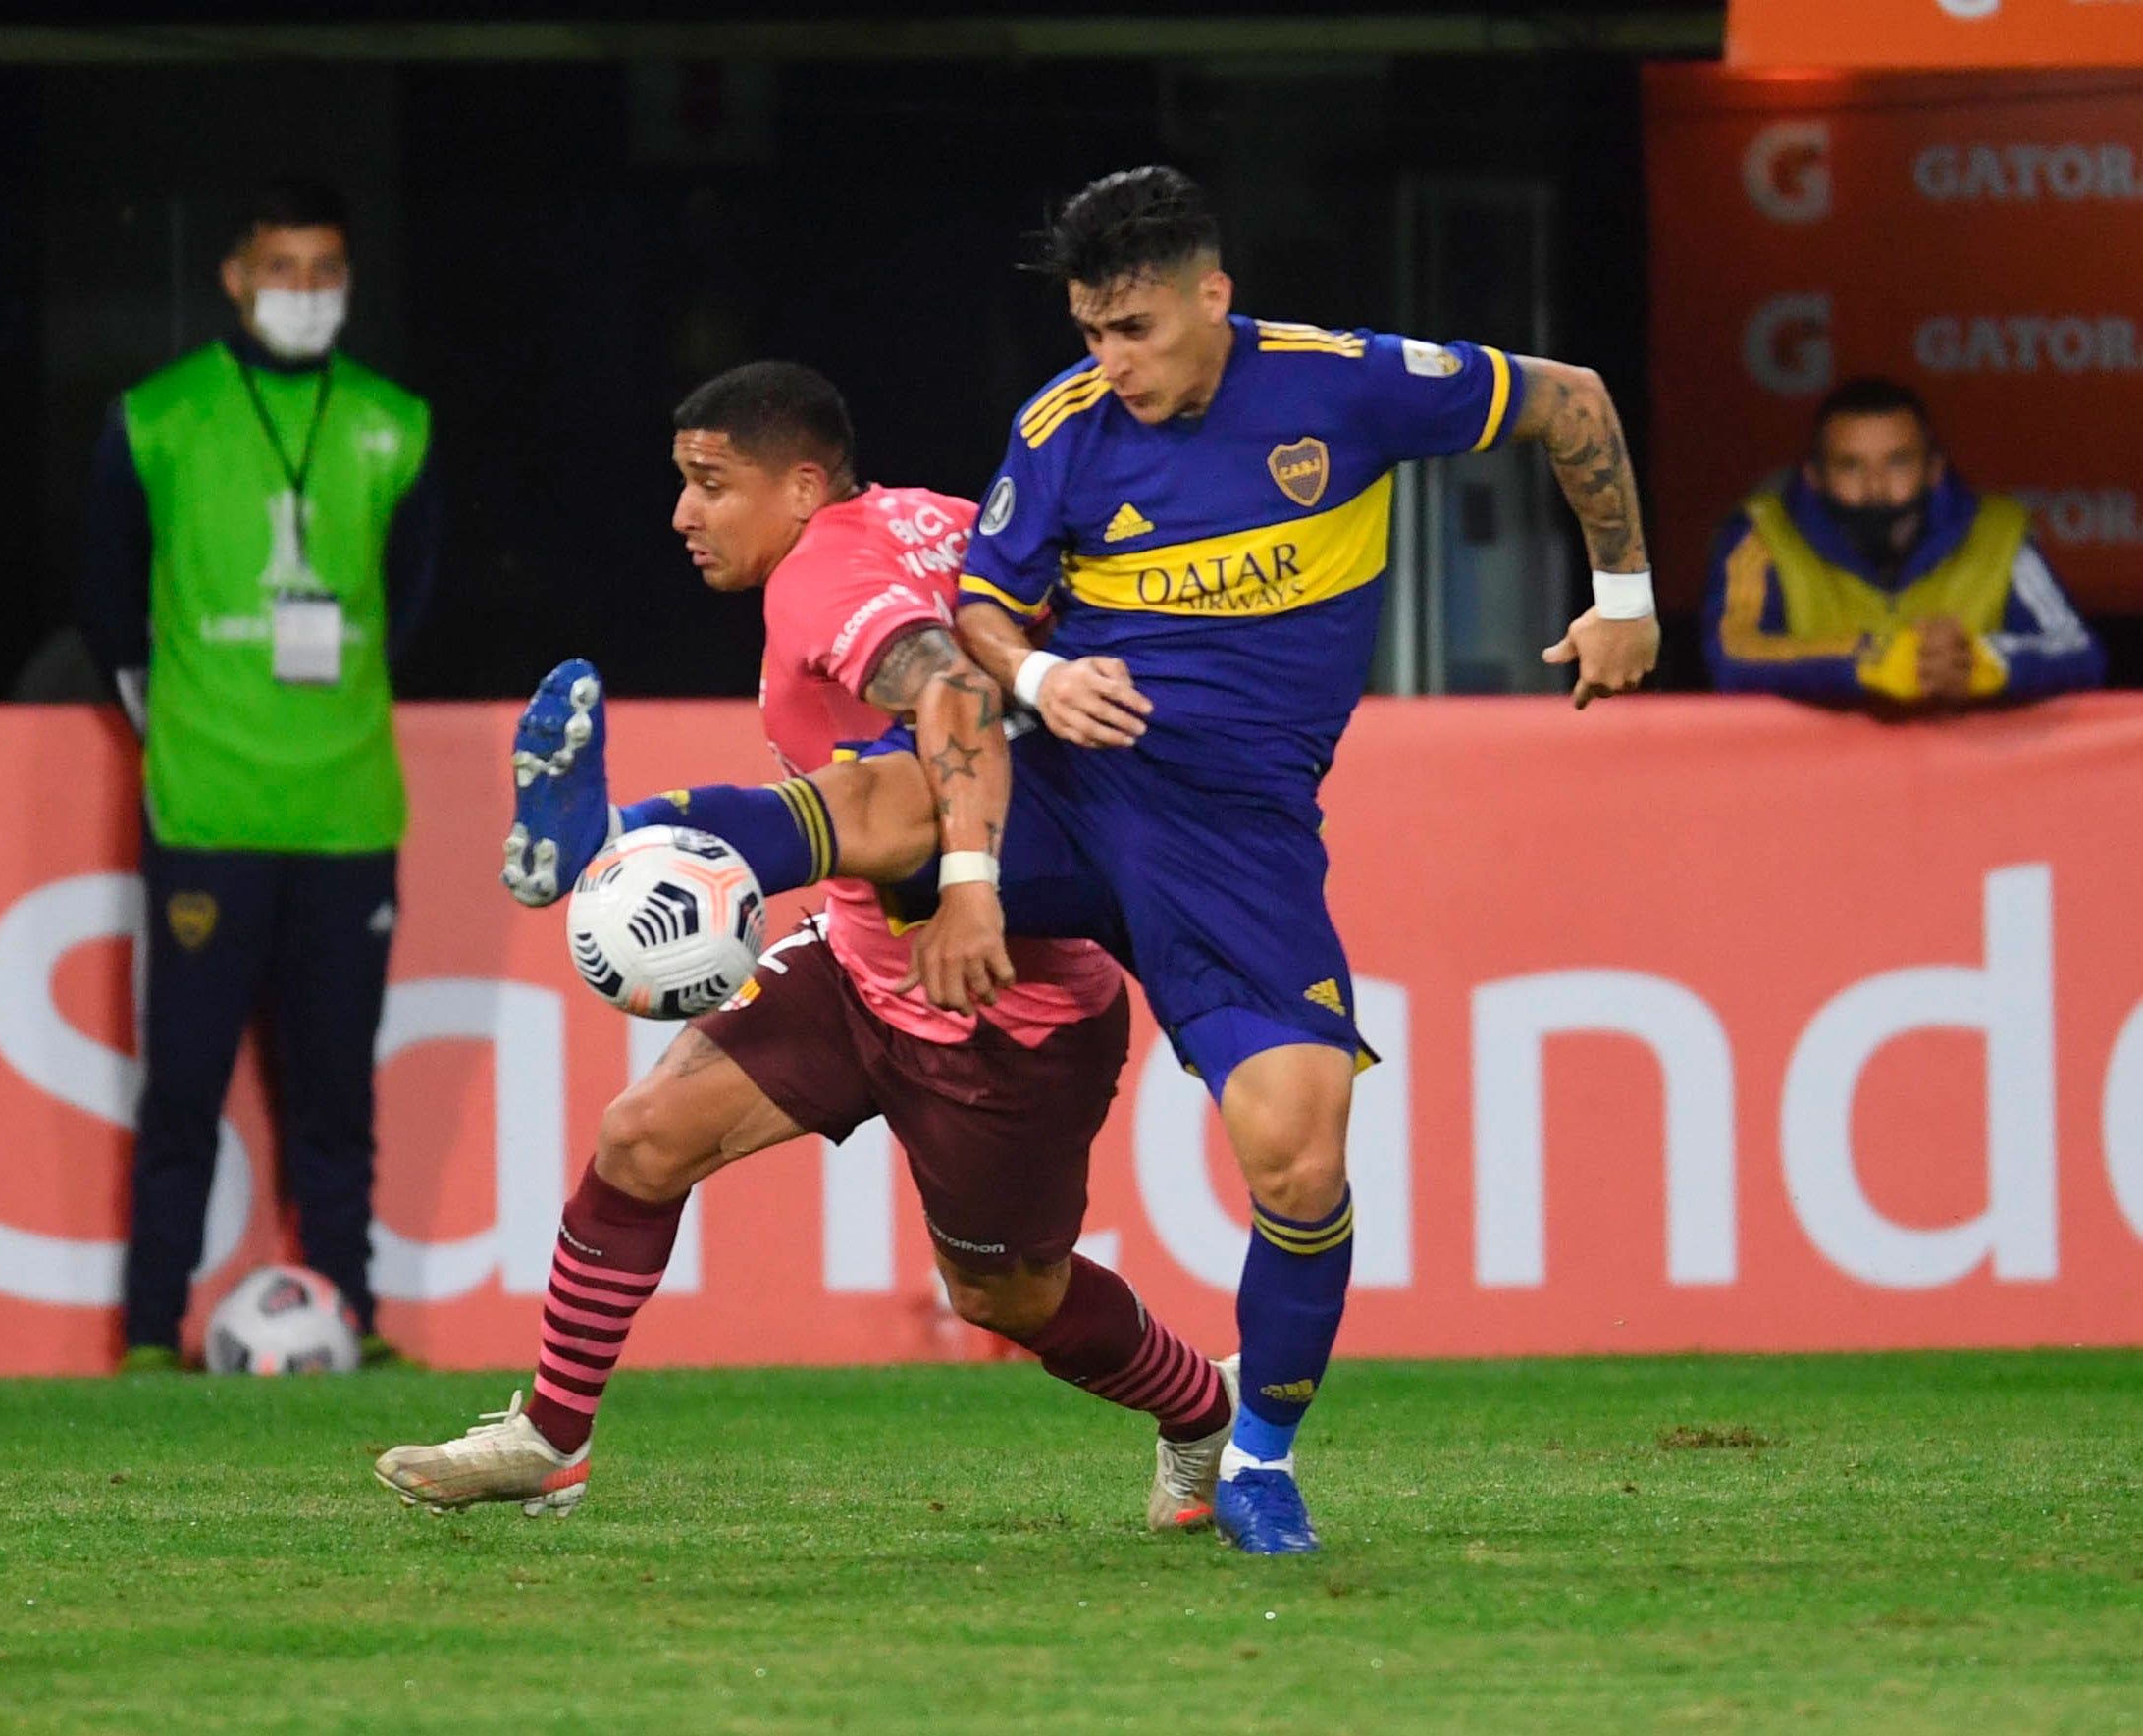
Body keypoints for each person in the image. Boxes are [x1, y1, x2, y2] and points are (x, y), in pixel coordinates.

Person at [488, 167, 1656, 1553]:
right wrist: (1042, 676)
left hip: (1232, 834)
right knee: (894, 798)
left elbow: (1570, 398)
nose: (1110, 364)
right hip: (1069, 785)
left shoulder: (1346, 387)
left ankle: (1259, 1456)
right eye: (1091, 331)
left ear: (1212, 298)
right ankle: (610, 839)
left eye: (1136, 332)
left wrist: (1622, 597)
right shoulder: (1061, 427)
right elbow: (979, 614)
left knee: (1294, 1154)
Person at [374, 362, 1238, 1525]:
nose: (684, 513)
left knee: (1004, 1292)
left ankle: (1201, 1411)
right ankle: (550, 1436)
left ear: (801, 484)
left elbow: (936, 715)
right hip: (863, 959)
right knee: (641, 1138)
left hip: (1003, 1006)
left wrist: (981, 866)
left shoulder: (826, 568)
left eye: (710, 484)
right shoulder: (945, 521)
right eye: (681, 483)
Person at [79, 176, 440, 1373]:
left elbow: (414, 599)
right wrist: (182, 717)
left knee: (335, 1094)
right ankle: (145, 1328)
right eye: (280, 269)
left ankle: (348, 1305)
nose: (303, 292)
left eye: (324, 270)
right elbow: (107, 604)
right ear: (234, 276)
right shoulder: (157, 418)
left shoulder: (398, 423)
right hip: (207, 803)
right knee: (183, 1088)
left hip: (347, 807)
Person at [1703, 377, 2102, 705]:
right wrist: (1870, 661)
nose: (1875, 488)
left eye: (1897, 462)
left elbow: (2080, 653)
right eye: (1850, 466)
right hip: (1821, 787)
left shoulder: (1996, 533)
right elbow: (1732, 656)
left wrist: (1982, 662)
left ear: (1933, 469)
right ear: (1813, 476)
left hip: (1969, 785)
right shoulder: (1765, 535)